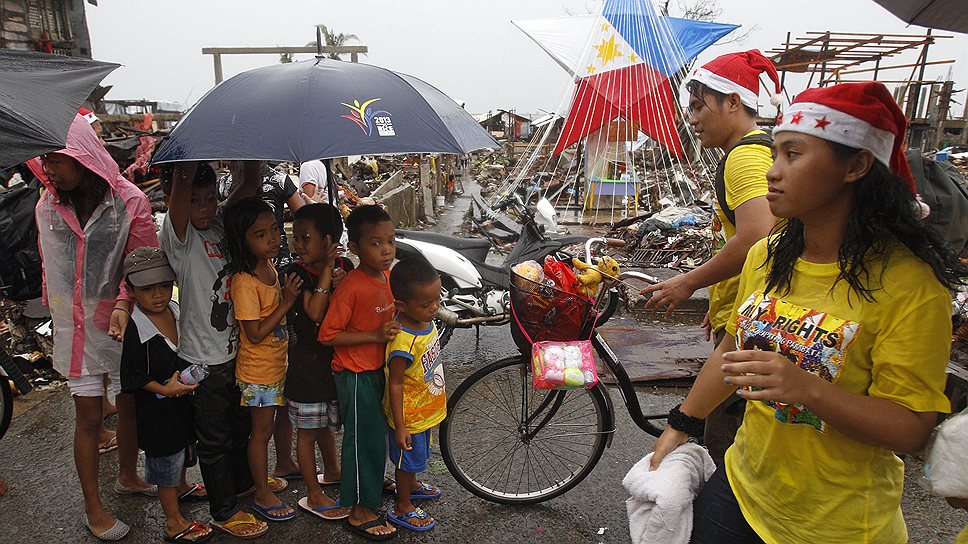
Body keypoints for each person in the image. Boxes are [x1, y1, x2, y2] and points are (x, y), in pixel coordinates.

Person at [649, 81, 964, 543]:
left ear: (855, 165)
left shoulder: (911, 285)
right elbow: (733, 350)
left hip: (834, 523)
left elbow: (911, 429)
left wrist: (806, 389)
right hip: (739, 490)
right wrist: (682, 423)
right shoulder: (770, 254)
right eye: (775, 154)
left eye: (793, 155)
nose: (773, 173)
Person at [641, 50, 781, 464]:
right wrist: (723, 301)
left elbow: (760, 234)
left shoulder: (744, 157)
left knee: (726, 447)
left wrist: (689, 282)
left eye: (701, 106)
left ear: (734, 102)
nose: (693, 118)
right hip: (747, 312)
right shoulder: (755, 150)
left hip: (755, 326)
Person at [30, 114, 158, 541]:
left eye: (57, 158)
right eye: (45, 158)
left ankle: (128, 475)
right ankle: (93, 507)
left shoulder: (130, 202)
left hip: (121, 322)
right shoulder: (48, 205)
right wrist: (57, 312)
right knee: (88, 415)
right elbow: (55, 268)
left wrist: (124, 300)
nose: (48, 168)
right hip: (76, 326)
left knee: (130, 403)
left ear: (83, 157)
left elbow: (141, 262)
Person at [159, 162, 270, 539]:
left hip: (235, 354)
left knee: (238, 428)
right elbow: (180, 194)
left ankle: (241, 486)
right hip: (202, 361)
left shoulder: (221, 224)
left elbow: (250, 182)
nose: (204, 208)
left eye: (210, 199)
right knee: (214, 439)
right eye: (195, 201)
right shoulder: (180, 237)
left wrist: (248, 150)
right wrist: (185, 167)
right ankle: (223, 511)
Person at [119, 247, 212, 543]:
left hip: (182, 404)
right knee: (165, 463)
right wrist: (164, 389)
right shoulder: (135, 328)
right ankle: (173, 522)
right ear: (131, 290)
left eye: (163, 285)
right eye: (147, 289)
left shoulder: (174, 309)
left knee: (183, 450)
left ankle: (183, 488)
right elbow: (132, 377)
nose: (158, 294)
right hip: (156, 414)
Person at [319, 204, 400, 541]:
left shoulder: (389, 277)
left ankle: (370, 485)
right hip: (354, 374)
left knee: (377, 435)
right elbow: (327, 335)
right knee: (360, 441)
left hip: (379, 370)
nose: (386, 250)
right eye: (376, 243)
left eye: (391, 242)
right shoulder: (352, 286)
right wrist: (373, 336)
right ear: (354, 248)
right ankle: (359, 510)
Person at [225, 197, 303, 523]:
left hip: (277, 365)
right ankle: (260, 491)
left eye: (274, 229)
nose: (272, 239)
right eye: (260, 234)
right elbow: (254, 333)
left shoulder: (268, 268)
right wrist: (285, 303)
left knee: (279, 423)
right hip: (258, 372)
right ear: (241, 239)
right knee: (261, 433)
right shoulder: (244, 281)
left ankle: (277, 469)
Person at [284, 203, 353, 521]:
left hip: (333, 363)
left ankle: (333, 471)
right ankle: (313, 493)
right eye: (295, 238)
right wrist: (326, 270)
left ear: (329, 240)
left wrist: (342, 283)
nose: (298, 245)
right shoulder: (296, 274)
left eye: (305, 238)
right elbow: (314, 313)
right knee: (308, 432)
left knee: (326, 425)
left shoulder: (346, 265)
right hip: (307, 368)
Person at [384, 257, 446, 532]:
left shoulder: (424, 322)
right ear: (401, 306)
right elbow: (394, 384)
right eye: (425, 304)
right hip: (407, 416)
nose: (434, 308)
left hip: (423, 410)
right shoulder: (402, 341)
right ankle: (403, 506)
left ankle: (412, 485)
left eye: (436, 300)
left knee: (417, 456)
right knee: (406, 459)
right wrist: (400, 426)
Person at [258, 164, 305, 479]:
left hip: (280, 274)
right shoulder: (278, 178)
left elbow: (304, 218)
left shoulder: (226, 183)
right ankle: (270, 470)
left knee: (284, 378)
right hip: (280, 274)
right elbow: (303, 215)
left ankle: (284, 462)